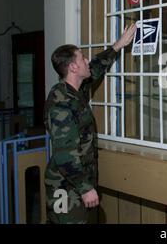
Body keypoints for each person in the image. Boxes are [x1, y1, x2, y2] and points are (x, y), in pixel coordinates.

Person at [44, 24, 136, 224]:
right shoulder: (60, 102)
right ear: (73, 67)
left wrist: (118, 46)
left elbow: (96, 66)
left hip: (80, 181)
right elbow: (64, 154)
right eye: (82, 58)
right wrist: (85, 188)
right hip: (66, 186)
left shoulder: (78, 88)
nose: (86, 60)